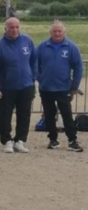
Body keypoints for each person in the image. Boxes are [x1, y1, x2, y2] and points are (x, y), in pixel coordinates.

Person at [0, 17, 37, 154]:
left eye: (17, 27)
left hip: (26, 85)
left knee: (24, 114)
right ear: (6, 29)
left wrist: (33, 77)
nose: (14, 30)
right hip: (7, 87)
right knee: (5, 115)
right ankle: (7, 141)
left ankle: (20, 140)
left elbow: (34, 60)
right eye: (11, 27)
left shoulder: (28, 41)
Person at [36, 20, 84, 152]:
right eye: (54, 31)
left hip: (64, 88)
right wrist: (40, 78)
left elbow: (79, 67)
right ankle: (53, 139)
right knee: (49, 115)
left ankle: (72, 140)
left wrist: (74, 86)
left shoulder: (71, 47)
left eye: (59, 31)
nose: (57, 33)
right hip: (46, 88)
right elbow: (34, 64)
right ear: (50, 32)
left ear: (64, 32)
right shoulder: (42, 47)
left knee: (67, 115)